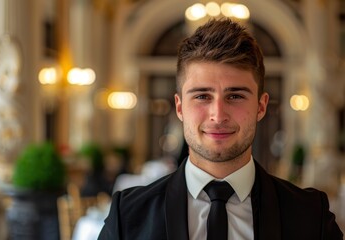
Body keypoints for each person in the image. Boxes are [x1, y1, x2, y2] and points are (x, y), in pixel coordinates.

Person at [97, 18, 343, 240]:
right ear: (180, 108)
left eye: (235, 96)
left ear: (261, 106)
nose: (218, 115)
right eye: (202, 96)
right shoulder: (128, 214)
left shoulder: (311, 213)